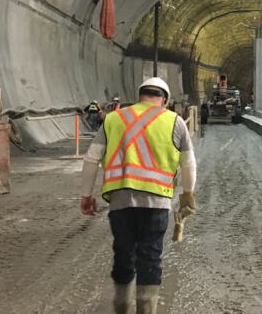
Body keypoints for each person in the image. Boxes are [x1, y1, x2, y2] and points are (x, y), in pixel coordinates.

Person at [79, 77, 197, 314]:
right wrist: (187, 195)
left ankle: (122, 306)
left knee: (123, 252)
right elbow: (188, 164)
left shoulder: (113, 119)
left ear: (139, 96)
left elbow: (91, 159)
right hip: (157, 202)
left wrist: (86, 195)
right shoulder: (174, 121)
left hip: (120, 203)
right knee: (150, 256)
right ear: (164, 100)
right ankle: (146, 309)